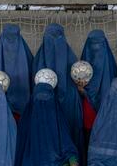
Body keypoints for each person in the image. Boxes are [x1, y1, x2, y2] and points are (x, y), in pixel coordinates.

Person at [32, 23, 84, 155]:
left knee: (70, 136)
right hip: (46, 106)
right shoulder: (37, 62)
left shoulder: (73, 63)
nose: (54, 44)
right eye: (51, 38)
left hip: (69, 105)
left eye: (58, 38)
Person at [78, 29, 117, 166]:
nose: (96, 49)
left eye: (99, 45)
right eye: (92, 45)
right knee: (88, 147)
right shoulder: (81, 68)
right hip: (88, 117)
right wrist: (81, 91)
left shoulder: (111, 66)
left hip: (106, 117)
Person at [0, 24, 33, 121]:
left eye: (14, 38)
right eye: (7, 38)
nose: (11, 42)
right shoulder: (28, 57)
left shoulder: (29, 59)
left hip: (24, 111)